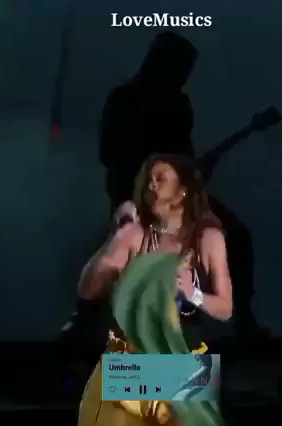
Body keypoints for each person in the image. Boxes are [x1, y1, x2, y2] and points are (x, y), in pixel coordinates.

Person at [77, 154, 232, 425]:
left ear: (183, 191)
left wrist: (194, 294)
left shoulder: (207, 238)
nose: (151, 185)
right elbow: (87, 289)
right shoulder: (135, 234)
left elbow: (225, 309)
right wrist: (117, 234)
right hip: (131, 362)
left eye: (160, 179)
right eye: (148, 180)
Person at [99, 32, 197, 213]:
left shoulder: (179, 105)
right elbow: (109, 154)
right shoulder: (125, 100)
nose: (185, 77)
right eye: (182, 69)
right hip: (132, 195)